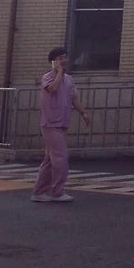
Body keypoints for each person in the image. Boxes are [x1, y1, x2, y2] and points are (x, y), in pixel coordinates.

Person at [31, 47, 91, 204]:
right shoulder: (47, 77)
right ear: (53, 62)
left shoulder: (69, 79)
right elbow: (52, 88)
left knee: (50, 160)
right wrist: (58, 72)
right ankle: (58, 191)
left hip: (62, 122)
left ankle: (39, 192)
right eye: (60, 58)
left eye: (65, 57)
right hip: (50, 124)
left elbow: (74, 98)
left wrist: (83, 113)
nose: (64, 61)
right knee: (61, 157)